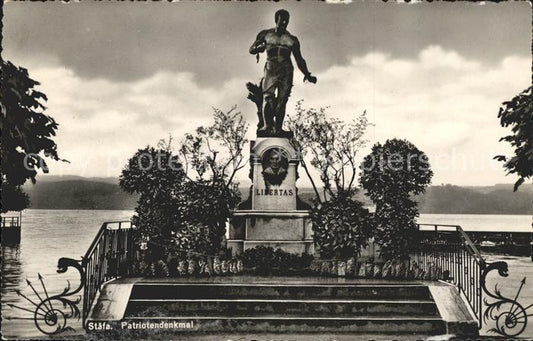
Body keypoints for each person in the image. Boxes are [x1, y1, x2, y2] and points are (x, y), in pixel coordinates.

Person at [250, 9, 317, 135]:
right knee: (268, 97)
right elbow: (252, 49)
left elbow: (299, 59)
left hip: (286, 69)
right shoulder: (265, 35)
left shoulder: (292, 39)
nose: (284, 24)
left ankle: (278, 128)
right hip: (271, 67)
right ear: (276, 20)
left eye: (286, 21)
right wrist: (259, 48)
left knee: (283, 99)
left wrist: (307, 74)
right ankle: (267, 126)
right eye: (282, 21)